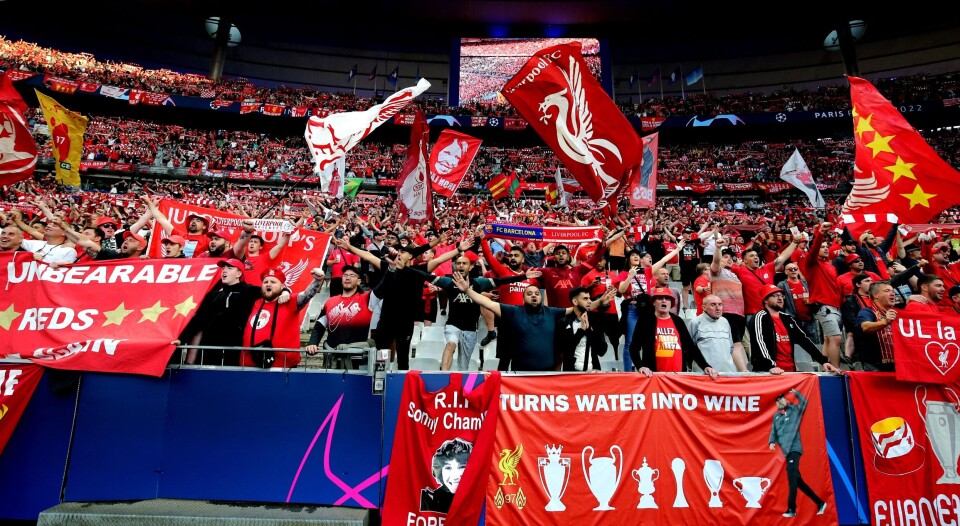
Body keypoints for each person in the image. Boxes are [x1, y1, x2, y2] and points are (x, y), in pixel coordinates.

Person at [449, 272, 605, 372]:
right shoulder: (514, 311)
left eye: (537, 293)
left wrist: (600, 301)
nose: (534, 296)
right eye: (529, 294)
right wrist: (468, 290)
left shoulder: (552, 312)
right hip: (521, 373)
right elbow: (488, 303)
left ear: (541, 297)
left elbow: (580, 307)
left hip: (547, 374)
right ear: (523, 298)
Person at [411, 254, 540, 371]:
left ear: (471, 267)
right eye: (458, 263)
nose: (460, 266)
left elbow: (501, 281)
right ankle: (444, 376)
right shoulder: (448, 282)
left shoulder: (479, 283)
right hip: (452, 325)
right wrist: (406, 269)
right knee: (451, 344)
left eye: (464, 263)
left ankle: (463, 389)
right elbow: (426, 276)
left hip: (471, 329)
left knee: (464, 366)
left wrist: (524, 276)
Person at [177, 258, 290, 366]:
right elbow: (198, 320)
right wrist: (181, 339)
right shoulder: (213, 295)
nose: (224, 270)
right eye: (223, 268)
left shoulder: (249, 291)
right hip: (209, 349)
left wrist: (285, 291)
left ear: (239, 274)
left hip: (235, 350)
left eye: (230, 268)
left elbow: (270, 290)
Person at [239, 266, 324, 369]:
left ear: (282, 286)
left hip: (282, 367)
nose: (268, 284)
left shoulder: (290, 301)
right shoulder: (254, 302)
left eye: (273, 282)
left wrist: (318, 280)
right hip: (249, 365)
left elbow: (307, 294)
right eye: (265, 282)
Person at [306, 264, 389, 369]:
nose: (348, 277)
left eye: (352, 275)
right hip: (332, 358)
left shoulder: (367, 299)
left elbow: (384, 286)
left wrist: (391, 268)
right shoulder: (330, 302)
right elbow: (319, 326)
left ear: (359, 281)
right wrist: (313, 343)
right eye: (345, 275)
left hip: (358, 358)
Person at [750, 284, 841, 374]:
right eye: (775, 296)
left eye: (781, 295)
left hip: (789, 372)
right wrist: (770, 366)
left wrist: (823, 361)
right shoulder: (760, 317)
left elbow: (804, 341)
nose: (780, 298)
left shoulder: (787, 318)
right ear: (766, 300)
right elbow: (759, 343)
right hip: (769, 373)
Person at [632, 287, 719, 378]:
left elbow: (690, 347)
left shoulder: (678, 321)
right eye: (660, 298)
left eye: (667, 299)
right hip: (654, 377)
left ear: (671, 303)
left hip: (678, 378)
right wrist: (640, 366)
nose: (664, 301)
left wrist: (705, 366)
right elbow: (634, 347)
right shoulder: (645, 320)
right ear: (654, 302)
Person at [769, 389, 829, 518]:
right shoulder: (776, 416)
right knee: (797, 480)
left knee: (791, 478)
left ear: (786, 399)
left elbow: (804, 403)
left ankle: (791, 508)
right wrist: (771, 442)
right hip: (786, 451)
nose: (779, 401)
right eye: (777, 400)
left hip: (794, 449)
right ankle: (820, 502)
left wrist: (796, 393)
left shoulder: (794, 410)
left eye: (781, 399)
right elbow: (773, 431)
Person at [798, 222, 844, 367]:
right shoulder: (810, 263)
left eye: (826, 247)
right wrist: (820, 233)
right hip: (824, 307)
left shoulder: (831, 267)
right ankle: (835, 370)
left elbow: (835, 287)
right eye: (822, 247)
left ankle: (824, 366)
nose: (825, 249)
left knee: (829, 339)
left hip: (835, 306)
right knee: (836, 338)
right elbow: (813, 250)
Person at [557, 286, 616, 371]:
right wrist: (581, 331)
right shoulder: (564, 322)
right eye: (585, 299)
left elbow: (602, 351)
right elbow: (565, 350)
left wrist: (589, 331)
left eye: (589, 298)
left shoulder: (594, 321)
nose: (590, 301)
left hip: (593, 374)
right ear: (575, 301)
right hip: (572, 375)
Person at [687, 295, 745, 373]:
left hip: (728, 373)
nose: (718, 308)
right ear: (704, 307)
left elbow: (731, 348)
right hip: (706, 374)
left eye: (720, 304)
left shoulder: (725, 322)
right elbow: (689, 350)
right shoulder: (695, 323)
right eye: (713, 305)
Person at [420, 437, 472, 514]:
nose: (455, 476)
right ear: (440, 471)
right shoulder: (429, 500)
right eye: (448, 468)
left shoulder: (481, 498)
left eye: (462, 467)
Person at [856, 281, 898, 372]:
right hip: (874, 365)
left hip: (897, 365)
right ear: (876, 295)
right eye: (887, 291)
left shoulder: (897, 313)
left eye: (893, 291)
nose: (892, 294)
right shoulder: (867, 312)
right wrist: (885, 322)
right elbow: (865, 326)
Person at [777, 262, 819, 344]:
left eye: (795, 269)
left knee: (813, 345)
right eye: (790, 269)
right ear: (786, 272)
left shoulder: (805, 283)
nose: (793, 271)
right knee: (796, 345)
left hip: (808, 320)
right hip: (793, 320)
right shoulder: (782, 285)